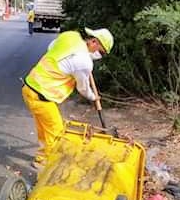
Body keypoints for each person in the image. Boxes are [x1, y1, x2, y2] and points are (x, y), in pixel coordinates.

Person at [22, 27, 114, 169]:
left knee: (44, 127)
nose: (100, 55)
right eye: (101, 52)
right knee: (56, 132)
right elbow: (83, 88)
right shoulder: (84, 62)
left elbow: (52, 47)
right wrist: (94, 97)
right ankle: (45, 165)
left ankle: (41, 157)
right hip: (42, 95)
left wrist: (74, 62)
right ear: (94, 42)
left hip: (30, 87)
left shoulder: (71, 37)